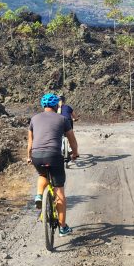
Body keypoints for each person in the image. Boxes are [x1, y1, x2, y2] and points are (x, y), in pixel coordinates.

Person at [27, 93, 79, 237]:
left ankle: (38, 196)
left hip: (37, 156)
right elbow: (72, 140)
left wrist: (28, 157)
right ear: (57, 106)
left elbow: (30, 142)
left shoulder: (34, 119)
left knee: (42, 174)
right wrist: (75, 154)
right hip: (54, 156)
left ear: (43, 106)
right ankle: (62, 228)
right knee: (59, 191)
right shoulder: (62, 119)